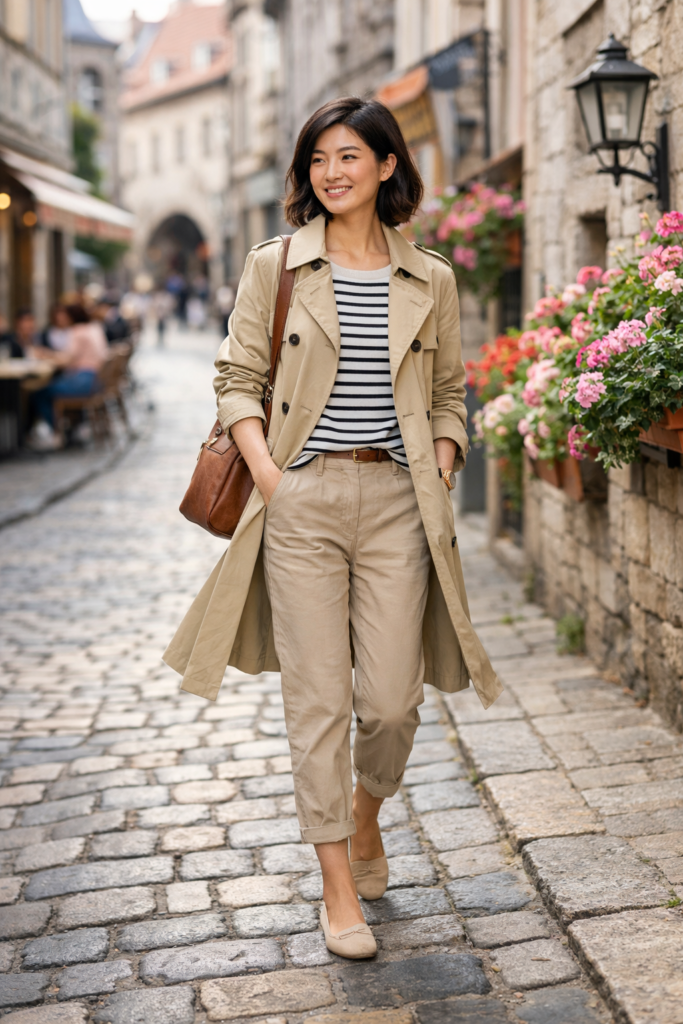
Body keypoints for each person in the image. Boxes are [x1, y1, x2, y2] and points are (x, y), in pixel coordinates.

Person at [163, 97, 502, 959]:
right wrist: (272, 477)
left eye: (350, 156)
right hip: (301, 503)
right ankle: (337, 889)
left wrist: (446, 454)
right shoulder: (275, 266)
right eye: (319, 159)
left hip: (399, 502)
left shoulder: (431, 276)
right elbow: (237, 376)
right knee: (316, 703)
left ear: (387, 166)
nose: (332, 172)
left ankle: (364, 817)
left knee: (390, 703)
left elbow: (452, 394)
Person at [28, 303, 108, 450]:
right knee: (51, 387)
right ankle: (70, 429)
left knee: (40, 393)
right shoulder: (94, 328)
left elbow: (67, 359)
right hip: (96, 380)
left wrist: (46, 354)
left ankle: (59, 431)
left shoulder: (77, 331)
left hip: (83, 380)